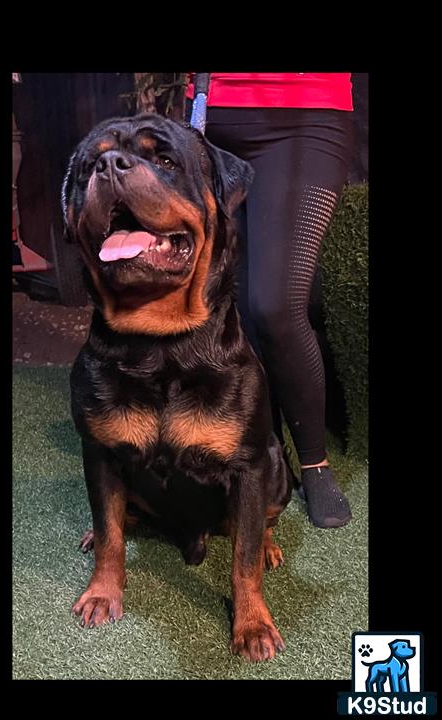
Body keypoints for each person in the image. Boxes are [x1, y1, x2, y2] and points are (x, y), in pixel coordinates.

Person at [186, 73, 354, 528]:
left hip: (307, 115)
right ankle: (263, 448)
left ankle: (315, 462)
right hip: (210, 114)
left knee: (274, 305)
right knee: (230, 303)